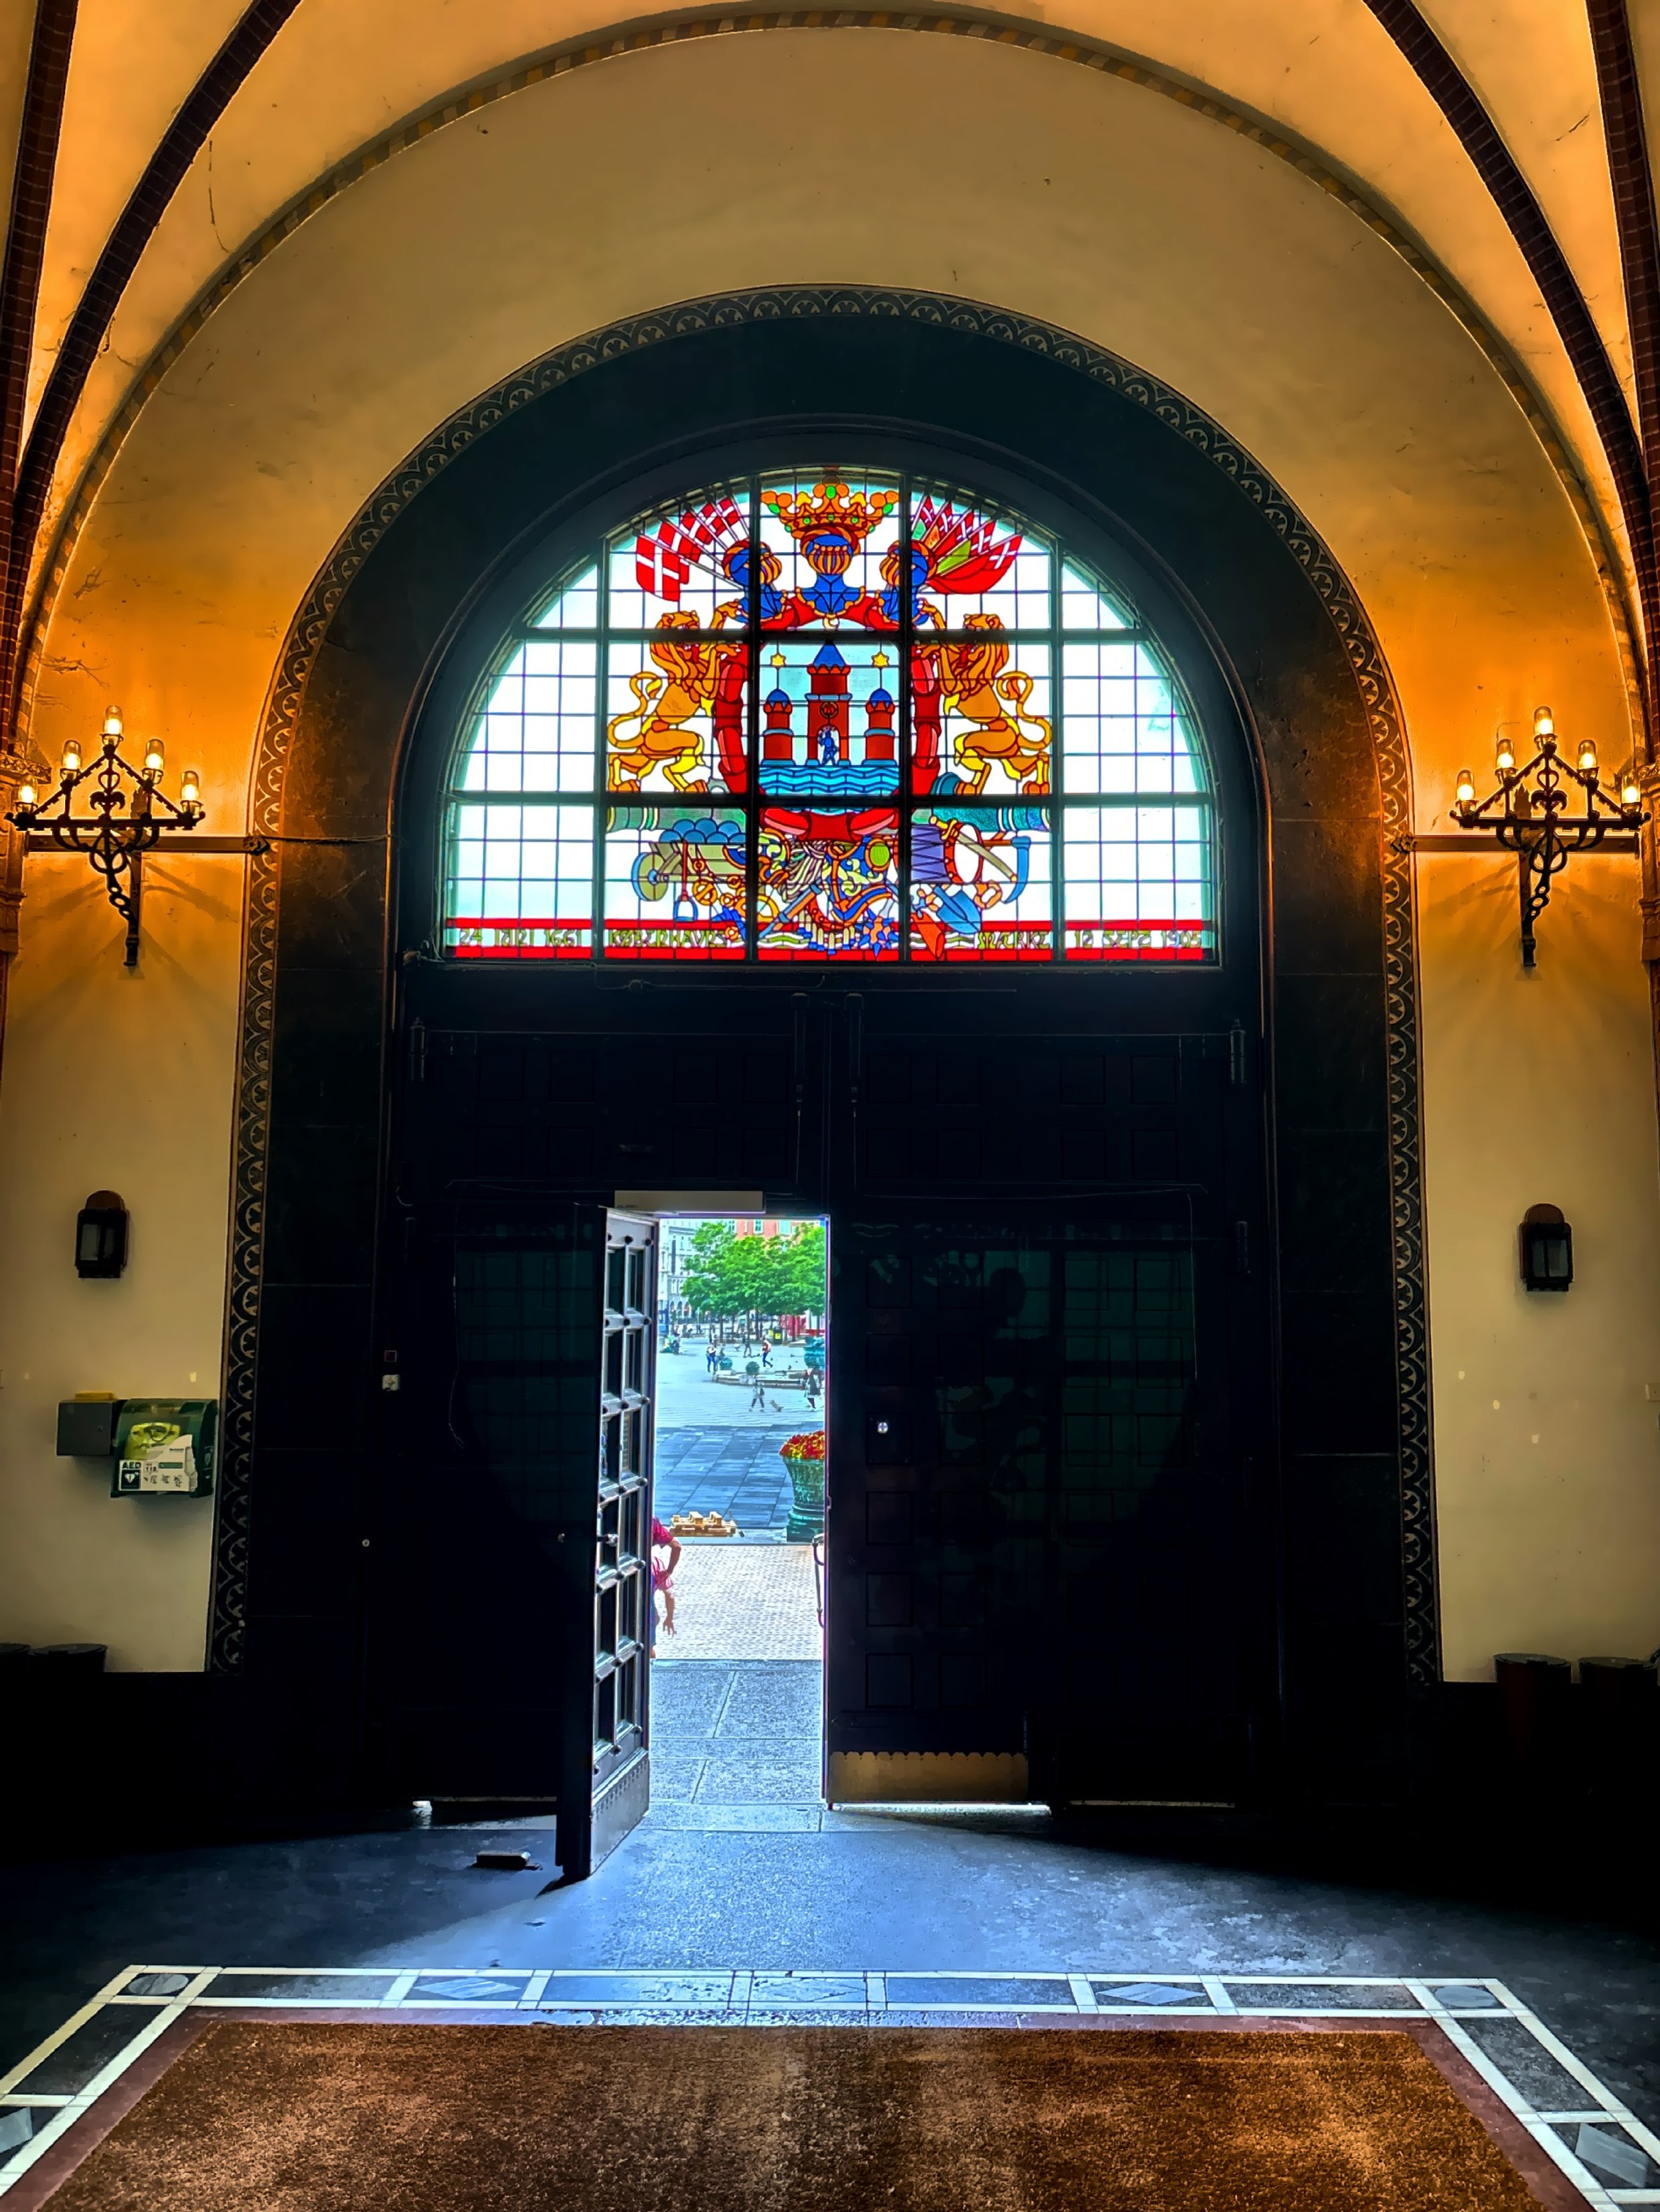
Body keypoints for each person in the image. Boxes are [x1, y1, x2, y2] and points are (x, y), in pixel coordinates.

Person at [650, 1514, 682, 1651]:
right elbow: (677, 1547)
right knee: (649, 1647)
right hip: (645, 1604)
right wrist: (669, 1570)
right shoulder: (655, 1565)